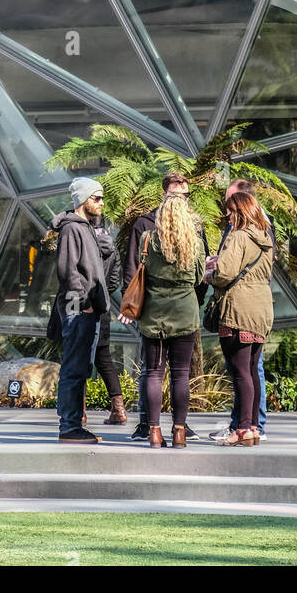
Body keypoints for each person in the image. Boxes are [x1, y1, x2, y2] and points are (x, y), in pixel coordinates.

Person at [123, 171, 209, 442]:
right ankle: (180, 431)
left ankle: (154, 431)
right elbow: (199, 277)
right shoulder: (194, 240)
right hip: (185, 311)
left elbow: (137, 272)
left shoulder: (148, 237)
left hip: (155, 314)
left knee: (153, 372)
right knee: (181, 374)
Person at [207, 185, 274, 445]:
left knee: (240, 371)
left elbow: (224, 274)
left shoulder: (237, 237)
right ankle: (254, 427)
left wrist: (209, 274)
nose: (228, 217)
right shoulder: (265, 238)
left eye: (229, 212)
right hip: (261, 310)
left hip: (238, 310)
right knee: (252, 371)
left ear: (238, 212)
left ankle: (242, 428)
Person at [50, 176, 110, 443]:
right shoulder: (72, 229)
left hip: (89, 308)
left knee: (80, 367)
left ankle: (73, 425)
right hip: (79, 310)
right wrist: (82, 305)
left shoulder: (85, 227)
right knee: (74, 368)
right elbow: (68, 271)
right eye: (96, 198)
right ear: (84, 199)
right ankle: (69, 427)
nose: (101, 203)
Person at [87, 206, 127, 424]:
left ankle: (79, 411)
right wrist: (103, 294)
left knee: (79, 358)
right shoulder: (111, 246)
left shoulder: (82, 240)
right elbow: (114, 281)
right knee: (104, 359)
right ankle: (118, 409)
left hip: (82, 306)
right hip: (102, 307)